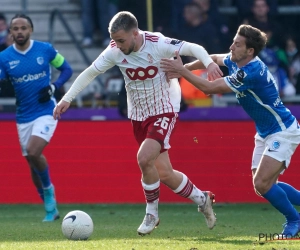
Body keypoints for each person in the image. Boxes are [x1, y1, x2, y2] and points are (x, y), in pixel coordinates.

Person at [53, 11, 223, 235]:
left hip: (165, 109)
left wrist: (209, 64)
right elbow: (90, 72)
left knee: (144, 158)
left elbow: (194, 49)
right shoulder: (115, 50)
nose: (119, 45)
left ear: (135, 33)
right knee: (165, 174)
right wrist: (67, 99)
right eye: (115, 40)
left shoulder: (158, 43)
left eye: (122, 40)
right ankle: (203, 199)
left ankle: (151, 214)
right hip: (139, 114)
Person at [161, 24, 300, 238]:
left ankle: (294, 220)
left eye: (237, 44)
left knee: (262, 183)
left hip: (282, 130)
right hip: (265, 131)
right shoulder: (237, 59)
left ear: (250, 51)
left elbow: (210, 88)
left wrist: (180, 71)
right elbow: (215, 58)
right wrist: (189, 68)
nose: (231, 46)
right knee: (266, 184)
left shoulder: (250, 72)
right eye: (233, 41)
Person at [0, 14, 73, 222]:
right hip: (23, 116)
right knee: (31, 161)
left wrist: (54, 87)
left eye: (23, 28)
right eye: (15, 29)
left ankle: (49, 192)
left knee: (33, 151)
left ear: (30, 30)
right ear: (10, 32)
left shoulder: (45, 49)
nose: (20, 32)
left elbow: (67, 69)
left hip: (46, 111)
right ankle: (50, 207)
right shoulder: (4, 58)